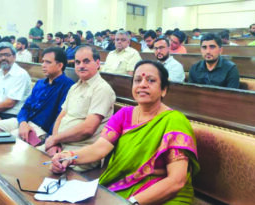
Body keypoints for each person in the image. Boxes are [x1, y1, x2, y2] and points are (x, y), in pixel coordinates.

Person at [49, 60, 200, 204]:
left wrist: (133, 202)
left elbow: (176, 181)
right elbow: (99, 148)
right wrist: (69, 157)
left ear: (164, 90)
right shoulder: (125, 114)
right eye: (137, 80)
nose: (143, 85)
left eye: (151, 80)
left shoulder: (174, 121)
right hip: (124, 187)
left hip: (162, 193)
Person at [44, 45, 116, 171]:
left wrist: (55, 139)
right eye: (77, 62)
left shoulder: (102, 89)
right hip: (62, 145)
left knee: (44, 172)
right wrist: (55, 142)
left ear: (98, 63)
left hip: (82, 152)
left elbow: (88, 129)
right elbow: (61, 116)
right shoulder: (74, 87)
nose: (81, 65)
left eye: (86, 61)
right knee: (30, 161)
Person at [0, 47, 74, 145]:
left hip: (40, 129)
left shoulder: (68, 86)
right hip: (24, 121)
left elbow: (59, 116)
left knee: (7, 140)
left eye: (48, 62)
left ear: (60, 65)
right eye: (43, 61)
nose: (43, 65)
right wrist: (23, 122)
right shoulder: (40, 83)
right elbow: (26, 106)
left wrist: (51, 138)